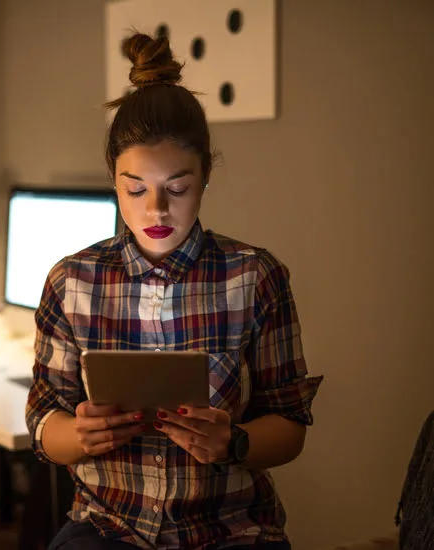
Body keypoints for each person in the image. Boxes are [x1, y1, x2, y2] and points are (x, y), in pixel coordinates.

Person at [25, 30, 323, 550]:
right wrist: (77, 436)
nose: (156, 210)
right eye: (135, 189)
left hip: (228, 529)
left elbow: (291, 425)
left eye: (177, 188)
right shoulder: (71, 280)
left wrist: (234, 441)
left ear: (206, 177)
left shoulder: (254, 277)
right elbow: (44, 418)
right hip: (107, 526)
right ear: (114, 180)